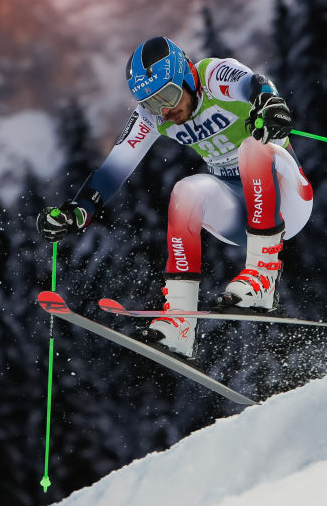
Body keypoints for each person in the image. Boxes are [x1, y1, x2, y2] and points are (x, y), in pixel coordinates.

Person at [37, 36, 313, 359]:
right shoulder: (153, 116)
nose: (165, 110)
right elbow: (115, 168)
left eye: (167, 96)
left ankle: (264, 279)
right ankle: (180, 324)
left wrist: (268, 103)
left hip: (287, 198)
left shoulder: (212, 78)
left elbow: (254, 83)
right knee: (185, 192)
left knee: (251, 149)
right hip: (243, 218)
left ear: (185, 75)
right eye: (153, 104)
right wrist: (78, 211)